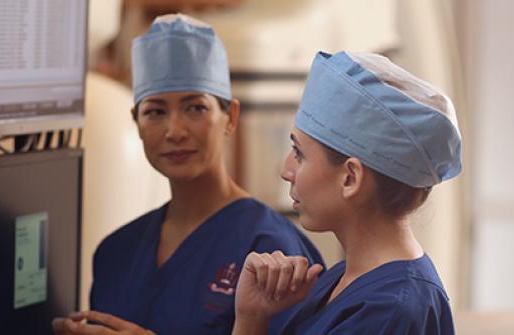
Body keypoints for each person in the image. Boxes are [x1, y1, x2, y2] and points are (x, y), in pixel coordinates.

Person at [53, 14, 325, 335]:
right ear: (136, 122)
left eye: (195, 108)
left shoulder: (273, 251)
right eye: (155, 112)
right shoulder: (117, 252)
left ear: (230, 117)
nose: (175, 131)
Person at [232, 51, 461, 334]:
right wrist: (252, 317)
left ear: (350, 178)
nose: (286, 170)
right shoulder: (343, 280)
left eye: (299, 154)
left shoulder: (389, 312)